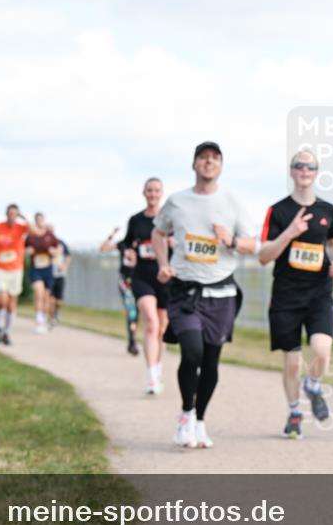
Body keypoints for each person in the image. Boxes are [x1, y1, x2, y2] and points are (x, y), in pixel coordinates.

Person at [153, 141, 255, 449]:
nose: (209, 162)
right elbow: (158, 232)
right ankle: (185, 413)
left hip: (221, 292)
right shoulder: (177, 201)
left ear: (221, 166)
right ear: (194, 164)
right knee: (192, 351)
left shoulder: (232, 202)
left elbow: (252, 243)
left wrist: (232, 240)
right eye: (203, 158)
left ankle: (199, 420)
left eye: (214, 158)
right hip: (185, 290)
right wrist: (162, 264)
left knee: (211, 361)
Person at [258, 150, 333, 439]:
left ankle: (314, 385)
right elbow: (264, 256)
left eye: (310, 166)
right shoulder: (278, 210)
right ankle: (295, 413)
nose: (305, 170)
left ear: (316, 172)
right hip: (286, 296)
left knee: (322, 350)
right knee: (292, 361)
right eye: (299, 165)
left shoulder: (327, 209)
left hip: (319, 293)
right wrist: (290, 232)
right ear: (292, 171)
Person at [118, 177, 171, 394]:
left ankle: (158, 370)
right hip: (142, 277)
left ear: (161, 193)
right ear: (144, 192)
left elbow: (181, 245)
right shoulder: (136, 220)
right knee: (151, 322)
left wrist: (173, 245)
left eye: (157, 190)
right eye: (149, 190)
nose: (153, 193)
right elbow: (125, 242)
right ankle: (150, 377)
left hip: (165, 278)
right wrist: (127, 250)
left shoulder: (169, 220)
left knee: (163, 328)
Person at [0, 204, 29, 345]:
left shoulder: (21, 228)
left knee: (11, 303)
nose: (12, 216)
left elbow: (35, 231)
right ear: (6, 214)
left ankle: (6, 332)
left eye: (15, 214)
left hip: (16, 269)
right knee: (2, 300)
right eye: (10, 213)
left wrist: (25, 217)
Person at [100, 226, 141, 356]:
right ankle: (133, 342)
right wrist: (112, 234)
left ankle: (131, 341)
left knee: (136, 315)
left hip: (140, 283)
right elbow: (103, 248)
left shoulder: (144, 243)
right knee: (132, 312)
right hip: (125, 283)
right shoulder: (123, 244)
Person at [25, 213, 60, 334]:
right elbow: (24, 248)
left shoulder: (49, 235)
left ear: (44, 220)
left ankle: (43, 319)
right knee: (38, 293)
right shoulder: (30, 236)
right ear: (35, 221)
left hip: (47, 269)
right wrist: (28, 251)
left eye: (41, 219)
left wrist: (54, 252)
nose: (40, 221)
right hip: (36, 269)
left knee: (46, 297)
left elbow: (58, 247)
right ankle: (38, 320)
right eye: (37, 220)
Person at [50, 237, 71, 327]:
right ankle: (51, 317)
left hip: (60, 275)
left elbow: (68, 256)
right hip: (49, 275)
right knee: (50, 298)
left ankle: (56, 312)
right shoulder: (45, 243)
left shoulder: (61, 243)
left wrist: (64, 266)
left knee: (59, 300)